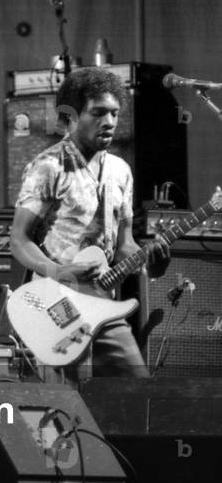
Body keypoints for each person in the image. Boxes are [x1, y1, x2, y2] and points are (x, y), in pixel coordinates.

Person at [10, 66, 168, 380]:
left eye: (114, 113)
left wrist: (151, 263)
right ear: (72, 117)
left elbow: (124, 247)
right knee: (70, 406)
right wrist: (59, 270)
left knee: (141, 398)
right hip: (58, 303)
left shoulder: (121, 171)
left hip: (104, 303)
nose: (109, 122)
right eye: (98, 113)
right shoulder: (48, 166)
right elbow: (19, 239)